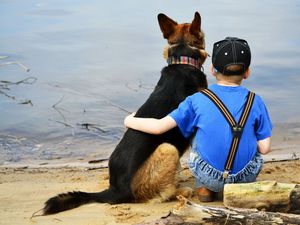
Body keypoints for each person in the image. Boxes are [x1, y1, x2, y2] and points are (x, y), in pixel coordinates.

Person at [124, 37, 272, 202]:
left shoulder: (196, 99)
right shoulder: (256, 101)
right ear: (247, 72)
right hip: (245, 177)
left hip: (209, 175)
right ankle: (237, 185)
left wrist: (129, 120)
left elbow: (159, 127)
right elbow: (265, 148)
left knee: (194, 127)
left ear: (212, 70)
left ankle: (205, 190)